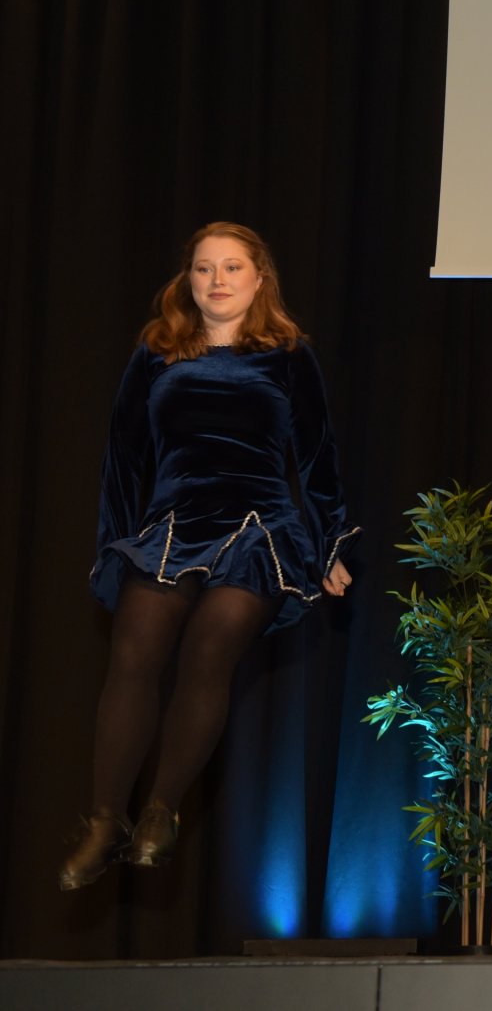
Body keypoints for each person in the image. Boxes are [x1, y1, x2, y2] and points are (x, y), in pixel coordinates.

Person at [60, 224, 356, 890]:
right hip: (172, 527)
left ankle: (161, 810)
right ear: (187, 281)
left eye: (231, 268)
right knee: (133, 656)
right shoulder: (156, 353)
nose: (216, 281)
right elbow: (124, 459)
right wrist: (113, 544)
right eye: (203, 269)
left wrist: (332, 541)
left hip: (257, 530)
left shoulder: (287, 356)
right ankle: (106, 820)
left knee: (207, 653)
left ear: (259, 280)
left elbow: (317, 457)